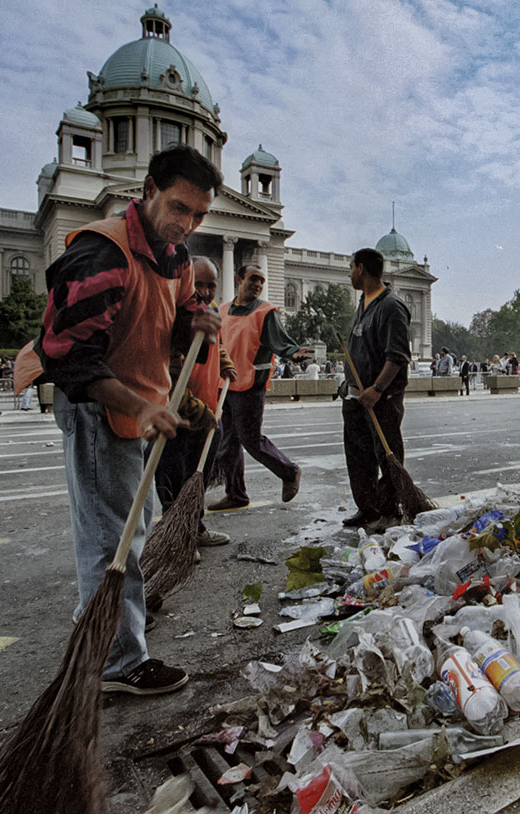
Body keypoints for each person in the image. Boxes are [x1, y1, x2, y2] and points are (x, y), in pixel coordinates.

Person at [32, 145, 226, 695]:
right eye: (179, 208)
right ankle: (119, 662)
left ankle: (99, 620)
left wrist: (199, 324)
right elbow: (71, 358)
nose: (186, 224)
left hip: (142, 407)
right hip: (99, 408)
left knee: (127, 525)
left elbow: (179, 317)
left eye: (198, 215)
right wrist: (141, 407)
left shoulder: (175, 256)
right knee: (110, 536)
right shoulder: (102, 255)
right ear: (147, 190)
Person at [208, 264, 311, 512]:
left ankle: (288, 471)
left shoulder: (265, 312)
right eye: (253, 279)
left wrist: (293, 352)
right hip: (226, 386)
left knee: (250, 440)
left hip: (250, 385)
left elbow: (281, 341)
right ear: (239, 279)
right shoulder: (222, 310)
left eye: (262, 281)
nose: (258, 284)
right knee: (227, 443)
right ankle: (236, 494)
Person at [153, 257, 235, 549]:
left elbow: (217, 343)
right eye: (198, 284)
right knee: (173, 480)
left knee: (196, 477)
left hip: (207, 409)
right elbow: (170, 375)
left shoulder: (210, 311)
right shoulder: (176, 313)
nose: (205, 291)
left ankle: (195, 528)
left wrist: (224, 362)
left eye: (211, 285)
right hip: (178, 415)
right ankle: (177, 538)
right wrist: (198, 411)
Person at [341, 247, 411, 528]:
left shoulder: (391, 306)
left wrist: (377, 389)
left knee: (387, 454)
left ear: (360, 268)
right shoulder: (363, 303)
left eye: (351, 268)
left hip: (380, 399)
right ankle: (367, 507)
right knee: (358, 456)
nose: (350, 274)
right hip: (356, 397)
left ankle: (390, 509)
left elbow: (397, 356)